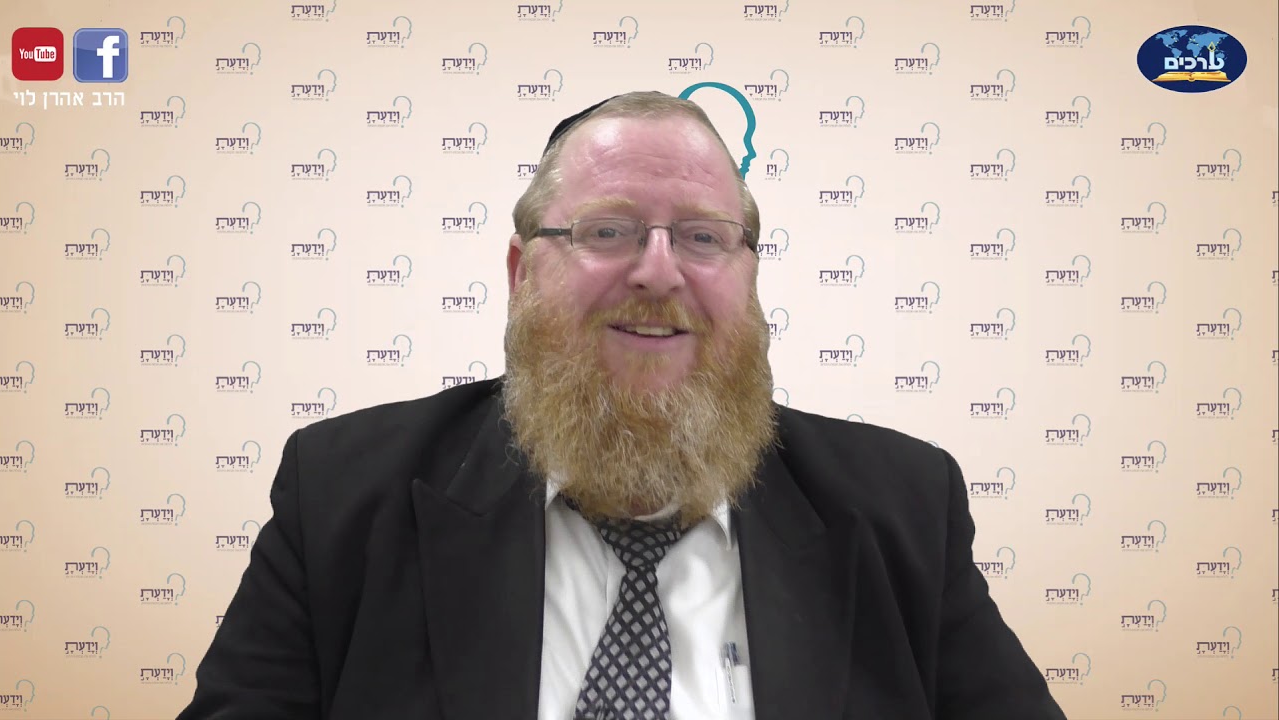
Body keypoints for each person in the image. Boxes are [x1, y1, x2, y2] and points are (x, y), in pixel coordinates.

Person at [176, 91, 1067, 720]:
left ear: (750, 280)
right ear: (522, 273)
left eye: (703, 238)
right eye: (608, 231)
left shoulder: (902, 505)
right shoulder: (342, 493)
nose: (658, 271)